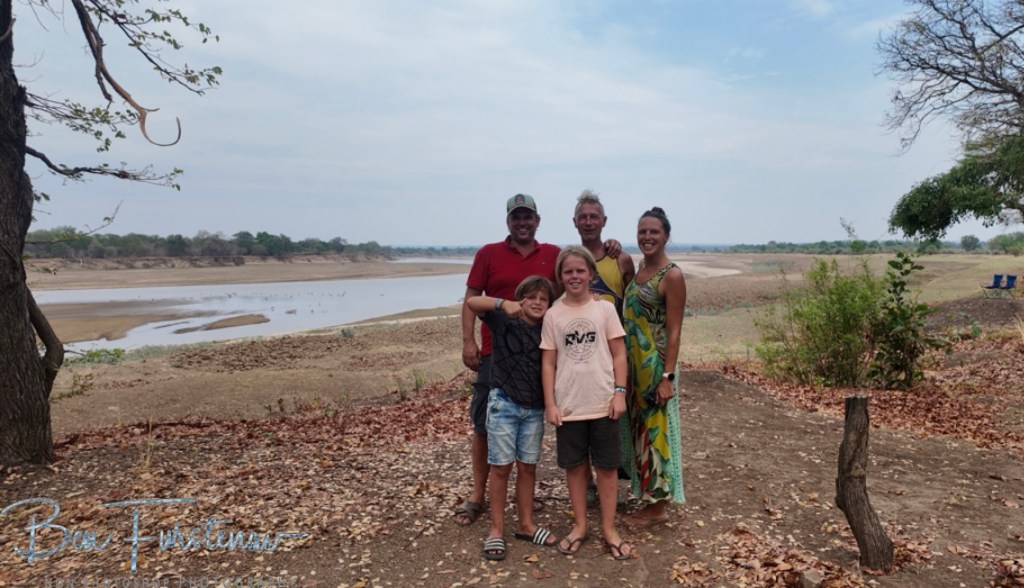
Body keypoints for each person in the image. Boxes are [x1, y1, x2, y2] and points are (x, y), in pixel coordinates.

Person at [454, 194, 561, 526]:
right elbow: (472, 298)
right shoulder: (488, 253)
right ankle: (478, 495)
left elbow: (580, 275)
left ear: (537, 221)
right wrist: (468, 340)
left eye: (528, 217)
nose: (522, 222)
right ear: (508, 221)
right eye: (517, 217)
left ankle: (524, 497)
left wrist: (611, 247)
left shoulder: (554, 254)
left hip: (540, 353)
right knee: (483, 425)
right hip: (495, 353)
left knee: (532, 421)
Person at [540, 246, 633, 560]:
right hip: (569, 406)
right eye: (568, 271)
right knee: (575, 468)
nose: (574, 276)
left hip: (603, 402)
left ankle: (609, 528)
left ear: (591, 273)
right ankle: (580, 525)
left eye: (580, 270)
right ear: (560, 276)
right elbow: (548, 363)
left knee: (607, 468)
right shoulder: (553, 315)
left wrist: (620, 392)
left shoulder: (604, 309)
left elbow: (619, 354)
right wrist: (551, 403)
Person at [466, 276, 558, 560]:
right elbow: (472, 302)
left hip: (534, 409)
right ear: (520, 299)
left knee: (528, 467)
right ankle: (496, 529)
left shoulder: (549, 328)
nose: (537, 303)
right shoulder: (503, 320)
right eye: (531, 297)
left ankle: (526, 524)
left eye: (543, 299)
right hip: (504, 403)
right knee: (501, 467)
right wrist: (502, 303)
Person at [621, 207, 687, 527]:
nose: (647, 237)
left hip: (656, 366)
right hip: (634, 367)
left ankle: (657, 507)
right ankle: (647, 495)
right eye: (642, 232)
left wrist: (667, 377)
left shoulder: (671, 275)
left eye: (654, 232)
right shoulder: (640, 269)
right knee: (640, 432)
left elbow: (674, 331)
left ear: (666, 236)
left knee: (656, 434)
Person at [573, 189, 636, 506]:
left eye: (594, 217)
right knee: (579, 422)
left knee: (613, 423)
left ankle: (613, 485)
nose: (588, 222)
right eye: (583, 217)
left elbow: (633, 306)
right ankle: (587, 486)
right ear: (574, 222)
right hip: (578, 358)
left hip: (613, 358)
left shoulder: (620, 260)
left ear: (604, 221)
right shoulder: (569, 262)